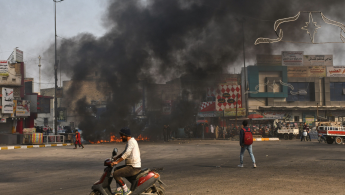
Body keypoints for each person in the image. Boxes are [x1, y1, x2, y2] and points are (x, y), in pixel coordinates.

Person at [111, 128, 141, 195]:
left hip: (133, 167)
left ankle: (126, 190)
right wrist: (116, 158)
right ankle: (119, 190)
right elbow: (124, 152)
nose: (121, 137)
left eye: (121, 135)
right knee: (116, 169)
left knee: (116, 174)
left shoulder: (131, 142)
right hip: (130, 165)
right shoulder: (129, 142)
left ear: (125, 135)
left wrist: (117, 162)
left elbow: (127, 154)